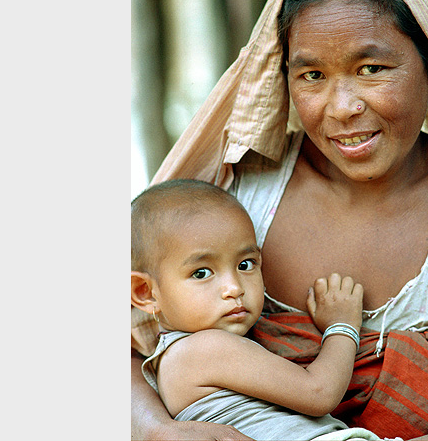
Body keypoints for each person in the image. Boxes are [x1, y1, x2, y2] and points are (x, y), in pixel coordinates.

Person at [131, 0, 428, 439]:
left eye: (372, 69)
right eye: (312, 75)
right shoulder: (237, 189)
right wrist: (155, 428)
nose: (342, 107)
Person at [131, 178, 390, 441]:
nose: (234, 287)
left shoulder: (170, 360)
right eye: (201, 273)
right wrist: (341, 326)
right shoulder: (203, 349)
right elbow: (319, 393)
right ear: (145, 292)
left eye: (245, 264)